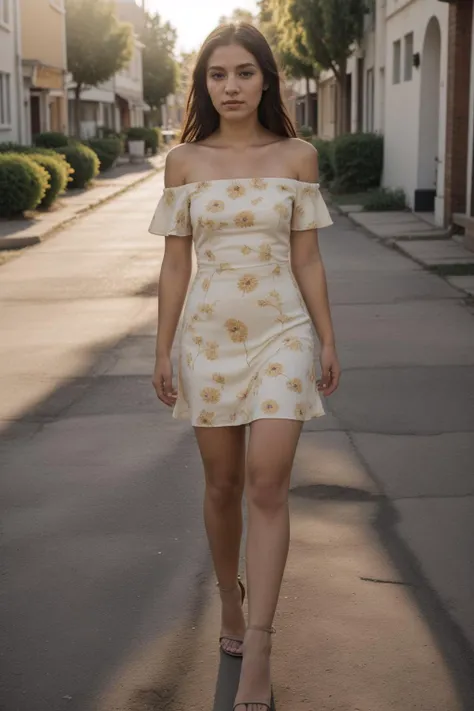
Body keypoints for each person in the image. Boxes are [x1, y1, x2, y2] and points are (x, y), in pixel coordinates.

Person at [149, 22, 340, 711]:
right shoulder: (184, 162)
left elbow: (308, 257)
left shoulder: (297, 156)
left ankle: (258, 639)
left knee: (267, 482)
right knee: (223, 485)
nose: (230, 86)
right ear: (204, 84)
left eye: (244, 73)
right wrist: (162, 344)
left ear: (266, 79)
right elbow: (175, 263)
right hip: (206, 338)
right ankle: (230, 597)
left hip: (282, 333)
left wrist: (325, 335)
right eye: (217, 75)